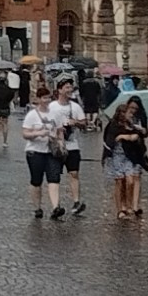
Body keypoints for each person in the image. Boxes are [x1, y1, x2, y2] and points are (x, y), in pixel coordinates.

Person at [48, 79, 89, 215]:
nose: (69, 90)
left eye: (71, 87)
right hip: (56, 146)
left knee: (74, 173)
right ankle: (56, 206)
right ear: (59, 90)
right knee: (54, 176)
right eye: (67, 87)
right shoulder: (52, 106)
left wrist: (75, 122)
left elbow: (84, 124)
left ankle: (76, 201)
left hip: (72, 145)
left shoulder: (75, 107)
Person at [21, 94, 66, 220]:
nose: (47, 100)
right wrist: (38, 133)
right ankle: (37, 208)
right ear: (38, 99)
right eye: (44, 98)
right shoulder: (32, 115)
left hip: (52, 151)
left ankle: (55, 207)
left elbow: (60, 130)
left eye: (48, 98)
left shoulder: (55, 114)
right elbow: (25, 133)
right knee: (36, 181)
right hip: (35, 151)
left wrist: (60, 142)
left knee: (54, 178)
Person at [103, 95, 148, 218]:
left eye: (134, 109)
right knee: (119, 181)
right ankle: (121, 209)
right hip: (116, 157)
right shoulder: (113, 125)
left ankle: (130, 205)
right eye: (129, 110)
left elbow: (140, 135)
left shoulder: (135, 124)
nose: (131, 113)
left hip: (130, 156)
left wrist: (135, 134)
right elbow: (110, 141)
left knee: (131, 180)